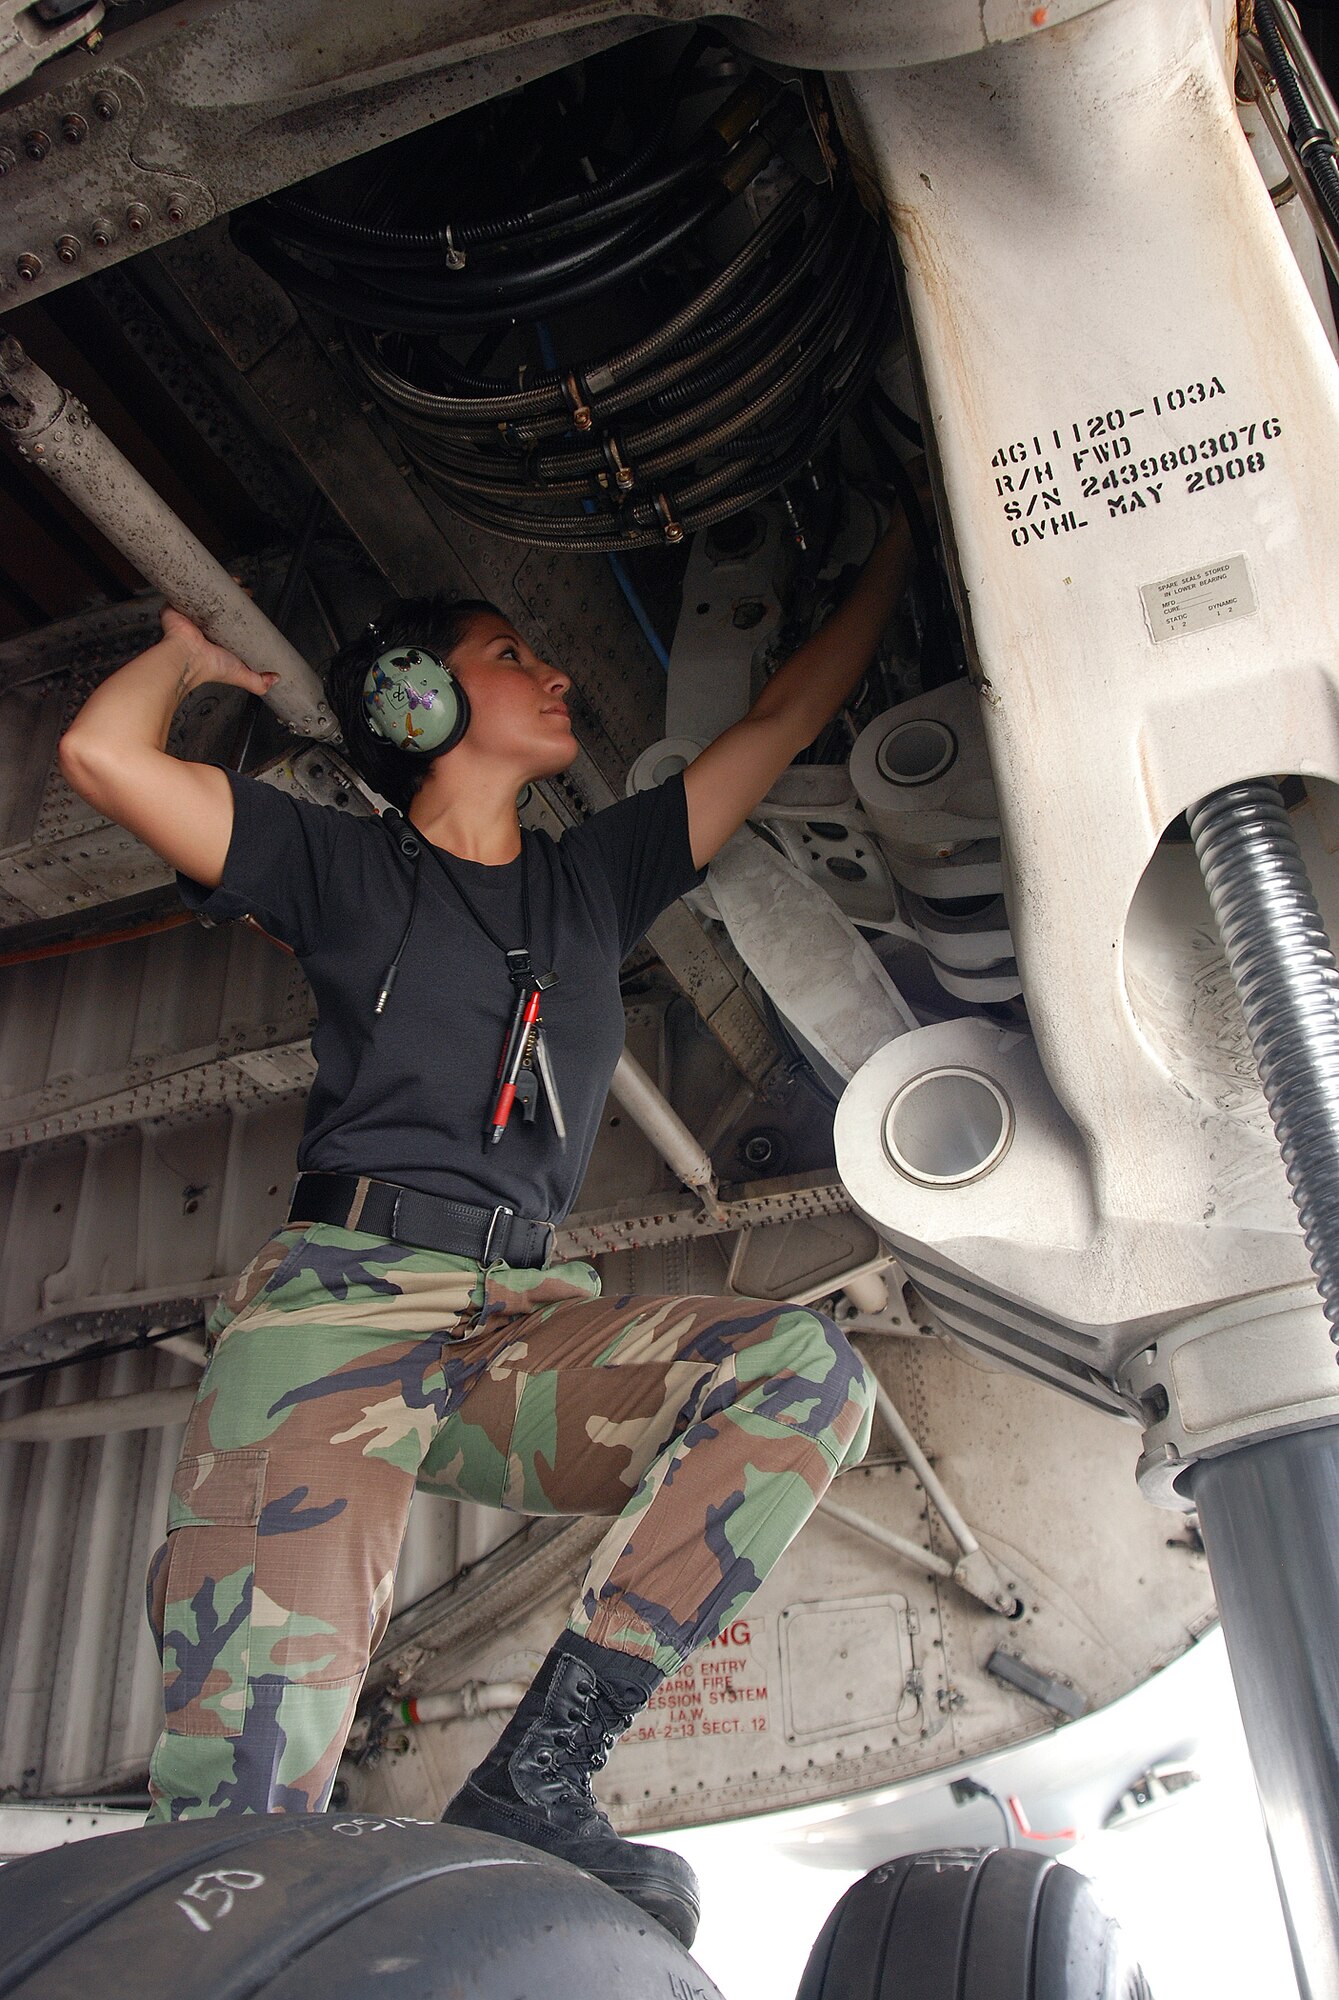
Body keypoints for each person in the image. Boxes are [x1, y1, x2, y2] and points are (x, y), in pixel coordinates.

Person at [57, 506, 916, 1947]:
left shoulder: (592, 883)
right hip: (334, 1329)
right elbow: (103, 756)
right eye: (513, 655)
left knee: (802, 1376)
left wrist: (889, 554)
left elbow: (777, 723)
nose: (554, 673)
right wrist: (184, 657)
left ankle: (540, 1778)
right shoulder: (340, 866)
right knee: (239, 1841)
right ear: (420, 699)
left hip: (513, 1330)